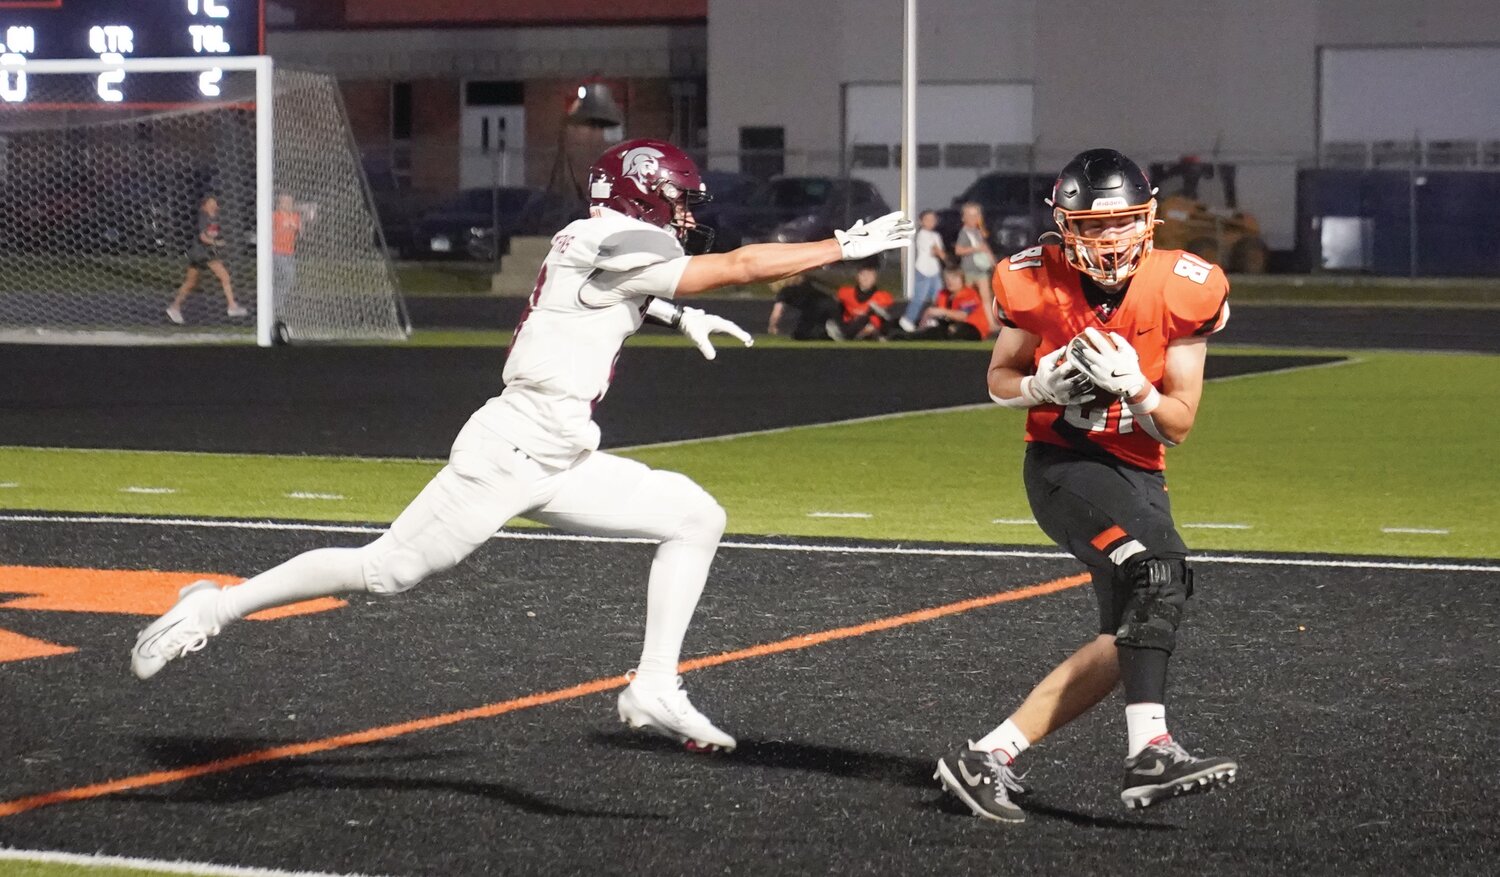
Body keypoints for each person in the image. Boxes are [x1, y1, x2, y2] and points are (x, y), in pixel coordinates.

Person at [131, 139, 913, 753]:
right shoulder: (619, 235)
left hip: (561, 453)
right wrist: (840, 245)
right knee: (385, 570)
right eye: (677, 200)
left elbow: (612, 292)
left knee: (694, 516)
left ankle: (653, 684)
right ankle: (214, 606)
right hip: (512, 450)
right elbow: (736, 265)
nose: (684, 215)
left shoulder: (601, 236)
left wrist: (679, 314)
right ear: (644, 194)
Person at [933, 148, 1236, 822]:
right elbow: (999, 379)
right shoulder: (1030, 278)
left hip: (1138, 472)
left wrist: (1139, 390)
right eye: (1094, 225)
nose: (1110, 238)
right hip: (1064, 464)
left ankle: (986, 756)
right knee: (1160, 570)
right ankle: (1151, 750)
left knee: (1128, 634)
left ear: (1148, 219)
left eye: (1122, 221)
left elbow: (1178, 424)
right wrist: (1038, 387)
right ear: (1066, 225)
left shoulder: (1185, 285)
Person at [167, 195, 246, 325]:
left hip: (201, 254)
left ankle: (174, 308)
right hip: (203, 253)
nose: (213, 205)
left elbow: (214, 233)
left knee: (191, 282)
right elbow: (203, 237)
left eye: (215, 203)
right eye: (210, 203)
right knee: (225, 277)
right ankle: (232, 306)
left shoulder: (215, 218)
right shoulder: (203, 217)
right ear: (204, 205)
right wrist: (216, 243)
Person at [894, 266, 991, 341]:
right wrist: (926, 320)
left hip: (974, 328)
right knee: (935, 329)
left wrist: (941, 312)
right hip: (952, 324)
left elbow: (962, 316)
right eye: (947, 279)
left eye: (954, 278)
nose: (950, 282)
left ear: (962, 280)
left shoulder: (969, 294)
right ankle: (909, 336)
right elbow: (936, 314)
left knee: (952, 330)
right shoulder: (944, 294)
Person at [899, 210, 947, 332]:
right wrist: (943, 256)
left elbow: (939, 250)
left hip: (934, 270)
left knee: (938, 296)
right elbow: (934, 251)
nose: (931, 222)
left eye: (933, 219)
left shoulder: (936, 235)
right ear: (921, 221)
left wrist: (942, 254)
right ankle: (908, 319)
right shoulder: (922, 235)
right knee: (919, 297)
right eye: (927, 219)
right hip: (923, 270)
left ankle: (932, 318)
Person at [827, 263, 897, 341]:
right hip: (850, 324)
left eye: (869, 275)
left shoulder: (883, 296)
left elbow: (887, 317)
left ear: (875, 277)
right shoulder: (845, 292)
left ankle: (845, 334)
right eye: (863, 274)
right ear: (857, 276)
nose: (866, 278)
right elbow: (836, 305)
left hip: (872, 328)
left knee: (867, 319)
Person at [767, 273, 843, 340]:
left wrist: (772, 326)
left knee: (800, 334)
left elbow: (777, 312)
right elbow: (821, 282)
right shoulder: (804, 282)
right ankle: (829, 331)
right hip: (830, 303)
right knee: (810, 326)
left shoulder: (784, 292)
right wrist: (836, 288)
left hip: (817, 308)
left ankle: (829, 331)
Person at [272, 192, 317, 303]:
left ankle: (276, 302)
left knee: (286, 280)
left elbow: (304, 233)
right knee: (289, 276)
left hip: (290, 253)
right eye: (285, 202)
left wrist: (309, 218)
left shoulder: (295, 217)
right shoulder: (275, 215)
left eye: (290, 202)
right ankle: (276, 302)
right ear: (279, 203)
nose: (288, 204)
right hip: (277, 252)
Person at [952, 201, 996, 315]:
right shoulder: (964, 233)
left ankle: (990, 321)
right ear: (964, 218)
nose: (974, 218)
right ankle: (965, 317)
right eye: (970, 216)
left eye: (976, 215)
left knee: (986, 297)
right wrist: (975, 249)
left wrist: (993, 263)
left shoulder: (977, 232)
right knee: (967, 297)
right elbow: (958, 250)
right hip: (969, 270)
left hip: (980, 269)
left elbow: (985, 248)